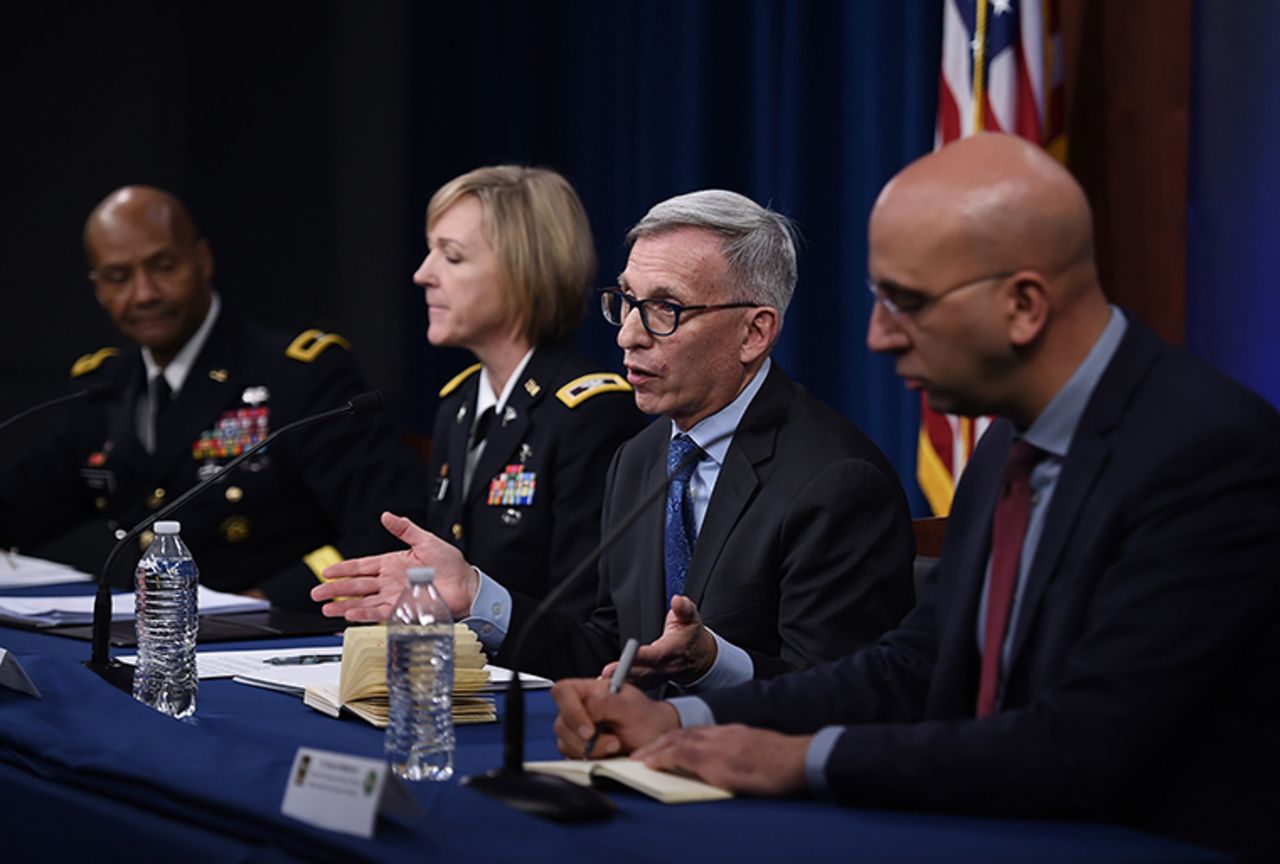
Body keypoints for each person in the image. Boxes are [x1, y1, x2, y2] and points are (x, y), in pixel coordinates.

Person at [549, 134, 1280, 861]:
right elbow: (908, 668)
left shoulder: (1209, 453)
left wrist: (792, 760)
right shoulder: (1004, 448)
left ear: (1024, 304)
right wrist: (690, 722)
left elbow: (1085, 745)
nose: (877, 337)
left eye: (907, 303)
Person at [314, 189, 916, 690]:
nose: (628, 335)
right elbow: (605, 648)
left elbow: (839, 695)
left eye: (665, 310)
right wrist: (476, 595)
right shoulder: (643, 456)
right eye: (626, 302)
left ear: (754, 332)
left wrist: (711, 664)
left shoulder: (834, 481)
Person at [0, 185, 428, 609]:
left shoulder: (297, 374)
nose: (144, 292)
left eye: (163, 266)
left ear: (201, 260)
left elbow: (388, 526)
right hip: (148, 640)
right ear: (98, 288)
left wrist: (261, 603)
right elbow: (22, 506)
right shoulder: (104, 385)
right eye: (119, 277)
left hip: (268, 639)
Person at [413, 165, 646, 620]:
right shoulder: (457, 407)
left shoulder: (591, 414)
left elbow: (590, 620)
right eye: (429, 253)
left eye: (452, 257)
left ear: (524, 273)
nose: (423, 274)